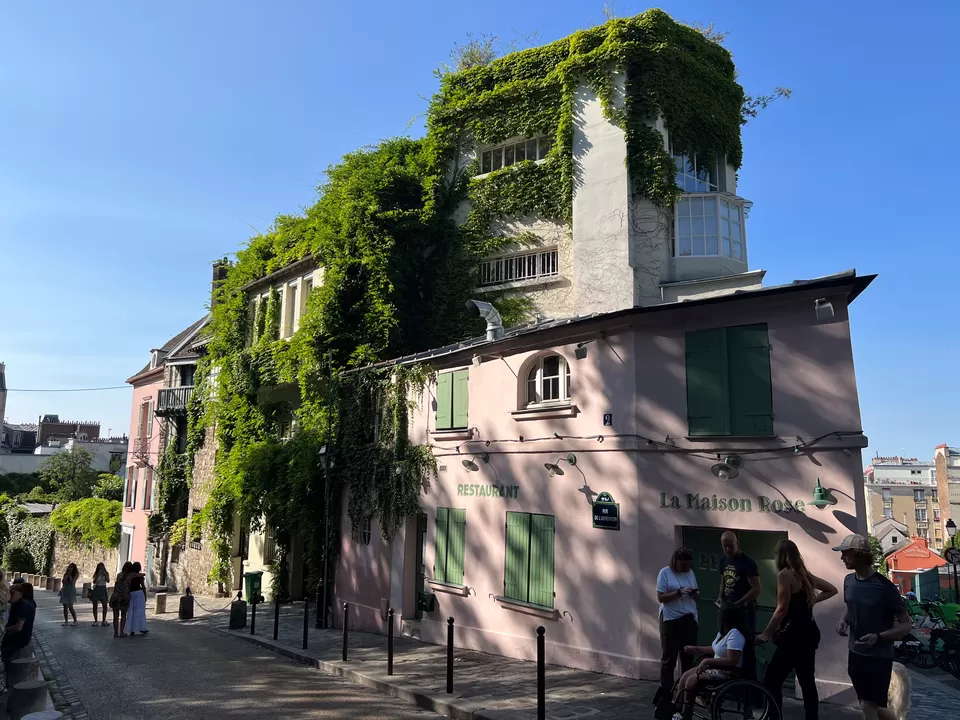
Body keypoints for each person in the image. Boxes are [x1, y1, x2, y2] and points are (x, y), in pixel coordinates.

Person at [757, 539, 838, 720]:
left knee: (771, 680)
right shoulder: (804, 575)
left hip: (793, 637)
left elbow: (782, 608)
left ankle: (774, 717)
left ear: (780, 556)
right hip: (809, 634)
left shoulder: (785, 575)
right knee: (807, 683)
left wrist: (766, 633)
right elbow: (831, 589)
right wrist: (808, 603)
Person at [833, 533, 912, 720]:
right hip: (855, 653)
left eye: (846, 553)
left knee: (869, 704)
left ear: (860, 555)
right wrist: (843, 620)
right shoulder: (848, 581)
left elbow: (906, 625)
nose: (842, 557)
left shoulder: (884, 587)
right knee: (870, 704)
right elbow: (851, 608)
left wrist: (879, 637)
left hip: (878, 656)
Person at [672, 605, 748, 720]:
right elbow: (715, 649)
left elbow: (732, 661)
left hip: (729, 671)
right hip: (716, 667)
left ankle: (686, 714)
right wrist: (696, 648)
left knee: (691, 680)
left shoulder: (735, 634)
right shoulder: (723, 633)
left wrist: (707, 661)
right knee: (685, 676)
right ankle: (676, 709)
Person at [656, 548, 700, 700]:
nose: (686, 568)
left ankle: (687, 692)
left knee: (688, 656)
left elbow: (697, 593)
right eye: (683, 565)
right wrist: (678, 593)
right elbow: (661, 598)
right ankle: (666, 693)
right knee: (669, 658)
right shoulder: (665, 573)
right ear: (676, 562)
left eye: (689, 565)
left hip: (689, 617)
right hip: (671, 619)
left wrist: (695, 594)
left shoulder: (690, 573)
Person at [717, 531, 761, 678]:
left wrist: (739, 603)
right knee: (725, 643)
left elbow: (756, 588)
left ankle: (749, 684)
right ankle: (728, 680)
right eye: (725, 546)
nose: (728, 549)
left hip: (744, 612)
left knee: (746, 647)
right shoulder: (723, 560)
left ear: (737, 543)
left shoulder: (746, 561)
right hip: (727, 610)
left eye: (731, 546)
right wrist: (720, 597)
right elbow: (723, 580)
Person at [1, 582, 36, 692]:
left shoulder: (22, 606)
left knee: (9, 666)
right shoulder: (17, 604)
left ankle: (7, 687)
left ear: (20, 594)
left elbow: (18, 627)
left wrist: (4, 631)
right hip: (16, 640)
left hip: (17, 641)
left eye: (12, 593)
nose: (9, 594)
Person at [110, 561, 133, 638]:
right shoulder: (130, 576)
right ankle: (122, 632)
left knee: (115, 616)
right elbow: (141, 574)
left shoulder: (119, 575)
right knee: (123, 616)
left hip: (116, 596)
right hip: (124, 597)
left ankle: (115, 633)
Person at [126, 561, 148, 636]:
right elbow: (143, 586)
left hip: (131, 593)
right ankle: (141, 628)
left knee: (131, 611)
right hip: (138, 593)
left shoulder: (130, 576)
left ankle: (132, 629)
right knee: (140, 611)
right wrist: (145, 595)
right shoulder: (140, 576)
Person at [91, 562, 110, 627]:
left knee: (105, 605)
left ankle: (103, 620)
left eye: (102, 567)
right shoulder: (96, 573)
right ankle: (95, 620)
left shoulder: (106, 573)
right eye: (99, 567)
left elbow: (108, 581)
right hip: (97, 589)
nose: (101, 568)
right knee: (95, 605)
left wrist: (105, 575)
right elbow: (94, 581)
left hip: (103, 588)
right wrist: (98, 575)